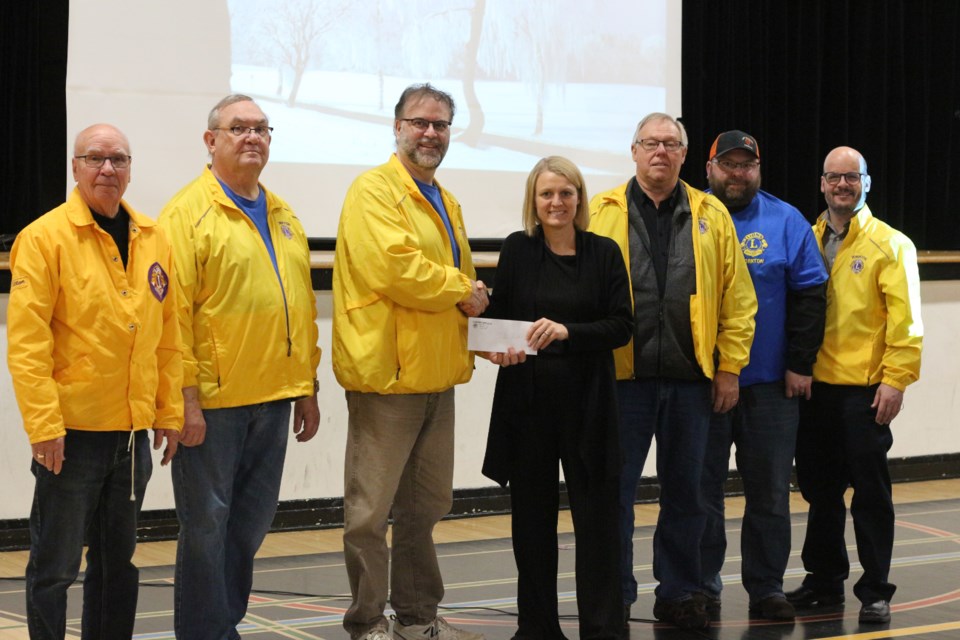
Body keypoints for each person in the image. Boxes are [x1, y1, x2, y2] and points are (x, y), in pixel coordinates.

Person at [7, 124, 183, 640]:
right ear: (75, 167)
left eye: (119, 160)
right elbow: (27, 345)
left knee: (116, 566)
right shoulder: (43, 239)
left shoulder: (155, 238)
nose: (108, 169)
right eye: (95, 159)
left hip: (131, 439)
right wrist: (43, 425)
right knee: (55, 569)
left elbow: (169, 337)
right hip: (70, 439)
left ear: (130, 169)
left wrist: (169, 413)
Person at [158, 95, 322, 640]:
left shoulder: (283, 213)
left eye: (261, 129)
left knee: (247, 529)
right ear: (211, 141)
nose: (252, 137)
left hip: (274, 399)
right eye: (238, 128)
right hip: (213, 405)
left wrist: (307, 385)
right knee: (206, 529)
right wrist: (184, 398)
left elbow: (298, 305)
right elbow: (171, 315)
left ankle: (219, 626)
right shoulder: (186, 214)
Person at [588, 113, 757, 630]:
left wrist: (729, 369)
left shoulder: (712, 215)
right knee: (612, 493)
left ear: (685, 156)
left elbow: (738, 301)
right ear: (633, 152)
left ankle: (681, 592)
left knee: (688, 493)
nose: (660, 151)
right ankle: (612, 591)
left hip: (692, 383)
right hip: (621, 383)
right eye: (650, 143)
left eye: (670, 143)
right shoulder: (599, 211)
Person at [332, 83, 488, 640]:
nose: (430, 133)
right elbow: (396, 270)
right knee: (371, 515)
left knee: (426, 508)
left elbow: (452, 293)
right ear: (396, 127)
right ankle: (367, 621)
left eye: (441, 125)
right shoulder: (373, 190)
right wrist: (463, 288)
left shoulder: (445, 199)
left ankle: (418, 617)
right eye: (420, 122)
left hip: (437, 378)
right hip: (387, 378)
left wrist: (480, 328)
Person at [481, 156, 632, 640]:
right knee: (531, 527)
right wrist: (489, 338)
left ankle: (603, 628)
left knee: (598, 524)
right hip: (526, 408)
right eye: (547, 194)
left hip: (589, 406)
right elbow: (501, 321)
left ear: (580, 199)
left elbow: (622, 326)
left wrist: (568, 331)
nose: (556, 202)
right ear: (534, 200)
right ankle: (537, 628)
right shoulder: (517, 251)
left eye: (566, 193)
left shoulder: (605, 252)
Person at [786, 146, 923, 625]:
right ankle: (824, 582)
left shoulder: (892, 244)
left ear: (867, 182)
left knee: (870, 495)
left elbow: (907, 326)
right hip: (814, 390)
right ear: (822, 184)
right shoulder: (806, 236)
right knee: (820, 494)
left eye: (851, 177)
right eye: (833, 177)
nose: (841, 185)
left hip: (865, 393)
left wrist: (896, 381)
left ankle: (875, 589)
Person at [697, 131, 828, 621]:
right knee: (701, 491)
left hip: (772, 386)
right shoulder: (690, 215)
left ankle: (766, 587)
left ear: (758, 169)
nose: (737, 173)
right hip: (702, 385)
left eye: (746, 165)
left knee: (771, 493)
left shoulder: (786, 219)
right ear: (708, 168)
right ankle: (701, 587)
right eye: (727, 164)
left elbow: (812, 296)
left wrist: (800, 364)